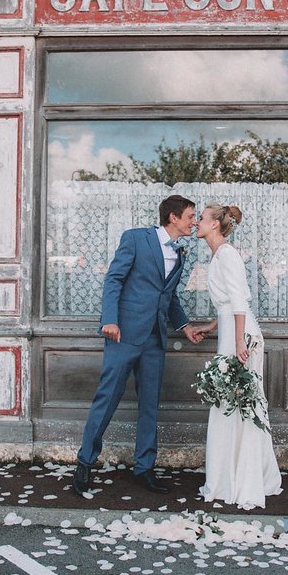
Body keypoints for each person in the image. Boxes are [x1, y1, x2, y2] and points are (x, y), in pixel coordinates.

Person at [72, 195, 203, 496]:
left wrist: (184, 327)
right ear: (173, 217)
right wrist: (110, 319)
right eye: (191, 216)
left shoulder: (180, 254)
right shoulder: (134, 238)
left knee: (149, 406)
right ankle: (85, 462)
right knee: (107, 398)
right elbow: (114, 280)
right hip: (123, 334)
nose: (194, 222)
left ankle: (144, 468)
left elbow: (168, 297)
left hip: (155, 339)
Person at [189, 204, 282, 509]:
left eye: (201, 218)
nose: (196, 222)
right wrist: (212, 325)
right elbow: (228, 304)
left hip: (240, 337)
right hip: (231, 331)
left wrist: (240, 341)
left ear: (215, 224)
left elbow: (240, 299)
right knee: (230, 403)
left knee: (238, 404)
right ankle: (230, 475)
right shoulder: (218, 254)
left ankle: (241, 479)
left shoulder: (227, 254)